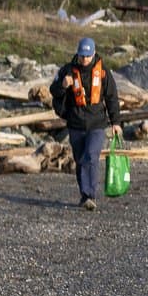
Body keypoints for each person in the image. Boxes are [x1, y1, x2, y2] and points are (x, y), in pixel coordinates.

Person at [51, 36, 126, 211]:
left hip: (97, 123)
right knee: (79, 160)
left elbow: (112, 98)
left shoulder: (104, 72)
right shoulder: (67, 71)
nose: (85, 59)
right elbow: (53, 91)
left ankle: (90, 194)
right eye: (82, 56)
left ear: (93, 54)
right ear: (78, 53)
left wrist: (116, 122)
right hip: (75, 122)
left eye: (88, 56)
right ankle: (84, 194)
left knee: (91, 156)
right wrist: (63, 85)